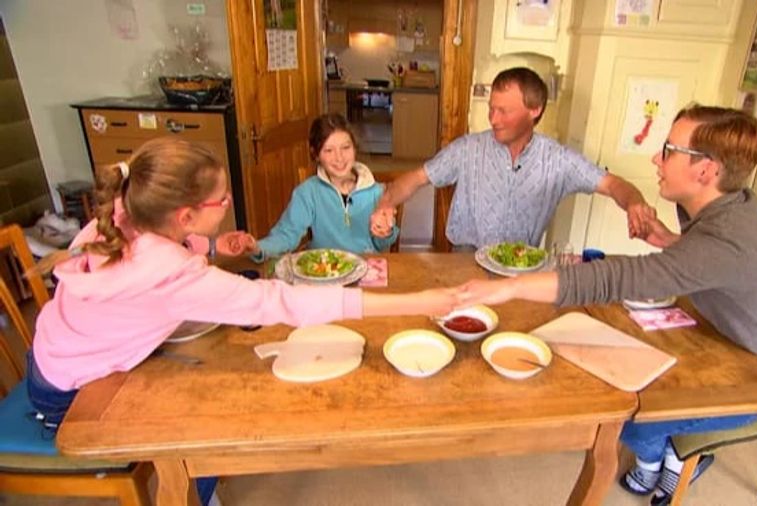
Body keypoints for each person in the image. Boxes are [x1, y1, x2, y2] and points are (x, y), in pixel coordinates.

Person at [25, 138, 459, 504]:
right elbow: (282, 302)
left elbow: (161, 249)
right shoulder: (171, 273)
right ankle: (196, 492)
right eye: (223, 198)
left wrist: (211, 247)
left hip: (54, 354)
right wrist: (419, 300)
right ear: (185, 215)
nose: (230, 202)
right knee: (202, 426)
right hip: (70, 393)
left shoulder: (124, 210)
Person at [457, 105, 757, 505]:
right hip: (710, 337)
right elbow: (710, 260)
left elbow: (618, 278)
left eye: (668, 150)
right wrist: (674, 244)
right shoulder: (729, 202)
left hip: (753, 376)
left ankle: (671, 457)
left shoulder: (728, 239)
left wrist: (509, 289)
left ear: (706, 170)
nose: (656, 158)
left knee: (627, 416)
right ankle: (665, 453)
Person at [369, 67, 655, 249]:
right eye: (491, 108)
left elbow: (612, 184)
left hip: (522, 267)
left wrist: (635, 203)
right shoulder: (468, 148)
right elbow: (416, 178)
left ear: (535, 110)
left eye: (503, 111)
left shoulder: (557, 159)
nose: (493, 119)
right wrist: (385, 203)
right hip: (465, 260)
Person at [238, 114, 398, 260]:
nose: (339, 157)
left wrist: (385, 232)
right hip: (322, 271)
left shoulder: (378, 192)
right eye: (328, 150)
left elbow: (381, 244)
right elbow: (287, 234)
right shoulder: (307, 192)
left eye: (346, 148)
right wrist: (258, 247)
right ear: (316, 155)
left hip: (365, 269)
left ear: (355, 148)